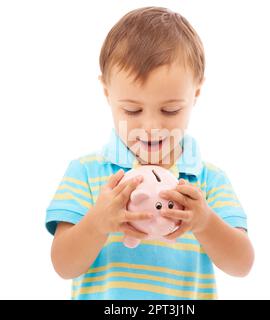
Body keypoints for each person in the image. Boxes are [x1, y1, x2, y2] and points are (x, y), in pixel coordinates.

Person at [46, 6, 254, 300]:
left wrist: (206, 221)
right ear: (107, 94)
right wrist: (97, 222)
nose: (152, 126)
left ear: (195, 93)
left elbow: (242, 264)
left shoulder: (208, 180)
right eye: (132, 110)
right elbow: (63, 265)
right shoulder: (87, 172)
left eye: (170, 110)